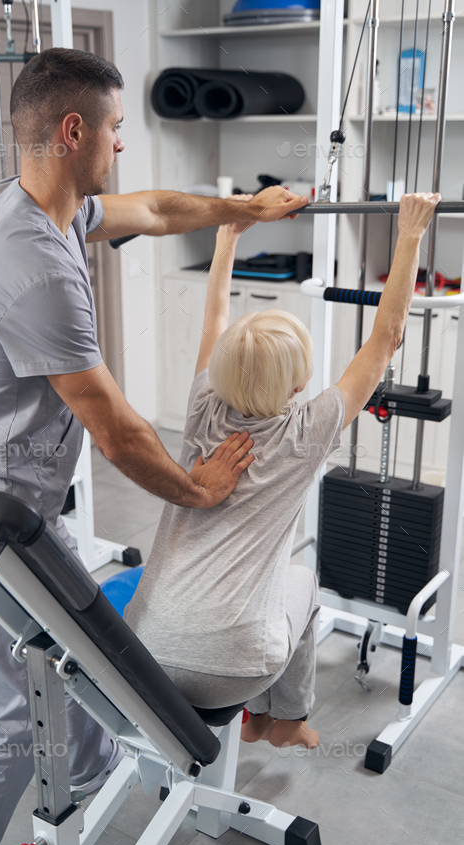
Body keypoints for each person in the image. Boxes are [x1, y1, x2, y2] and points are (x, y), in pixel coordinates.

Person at [0, 47, 309, 845]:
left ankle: (87, 801)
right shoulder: (34, 269)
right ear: (75, 131)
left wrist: (240, 208)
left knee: (88, 657)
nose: (122, 144)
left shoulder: (36, 207)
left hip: (16, 496)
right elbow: (118, 431)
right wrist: (198, 484)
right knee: (11, 719)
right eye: (117, 128)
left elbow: (157, 209)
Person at [124, 190, 441, 751]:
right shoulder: (307, 429)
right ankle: (286, 721)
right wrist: (411, 234)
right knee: (303, 582)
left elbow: (213, 317)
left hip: (141, 654)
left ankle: (270, 719)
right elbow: (385, 339)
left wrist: (227, 238)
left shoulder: (202, 403)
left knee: (273, 588)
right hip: (234, 667)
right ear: (297, 385)